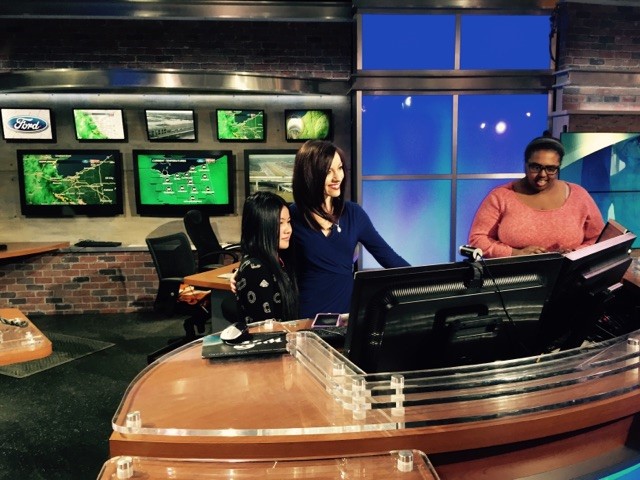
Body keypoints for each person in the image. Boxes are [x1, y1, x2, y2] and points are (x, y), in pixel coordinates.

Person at [290, 140, 409, 318]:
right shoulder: (291, 216)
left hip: (346, 316)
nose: (337, 177)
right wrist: (242, 276)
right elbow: (267, 254)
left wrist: (427, 281)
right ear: (310, 174)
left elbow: (389, 257)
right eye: (328, 171)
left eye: (339, 168)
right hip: (306, 317)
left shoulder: (353, 213)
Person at [468, 134, 605, 259]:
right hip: (513, 279)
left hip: (568, 280)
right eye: (535, 167)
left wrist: (575, 253)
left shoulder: (579, 195)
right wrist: (515, 253)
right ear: (525, 165)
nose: (543, 175)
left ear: (558, 168)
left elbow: (600, 239)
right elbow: (477, 240)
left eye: (550, 169)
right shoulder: (501, 196)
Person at [235, 191, 299, 324]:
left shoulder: (280, 259)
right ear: (262, 226)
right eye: (280, 223)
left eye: (288, 222)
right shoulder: (255, 269)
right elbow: (265, 330)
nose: (288, 229)